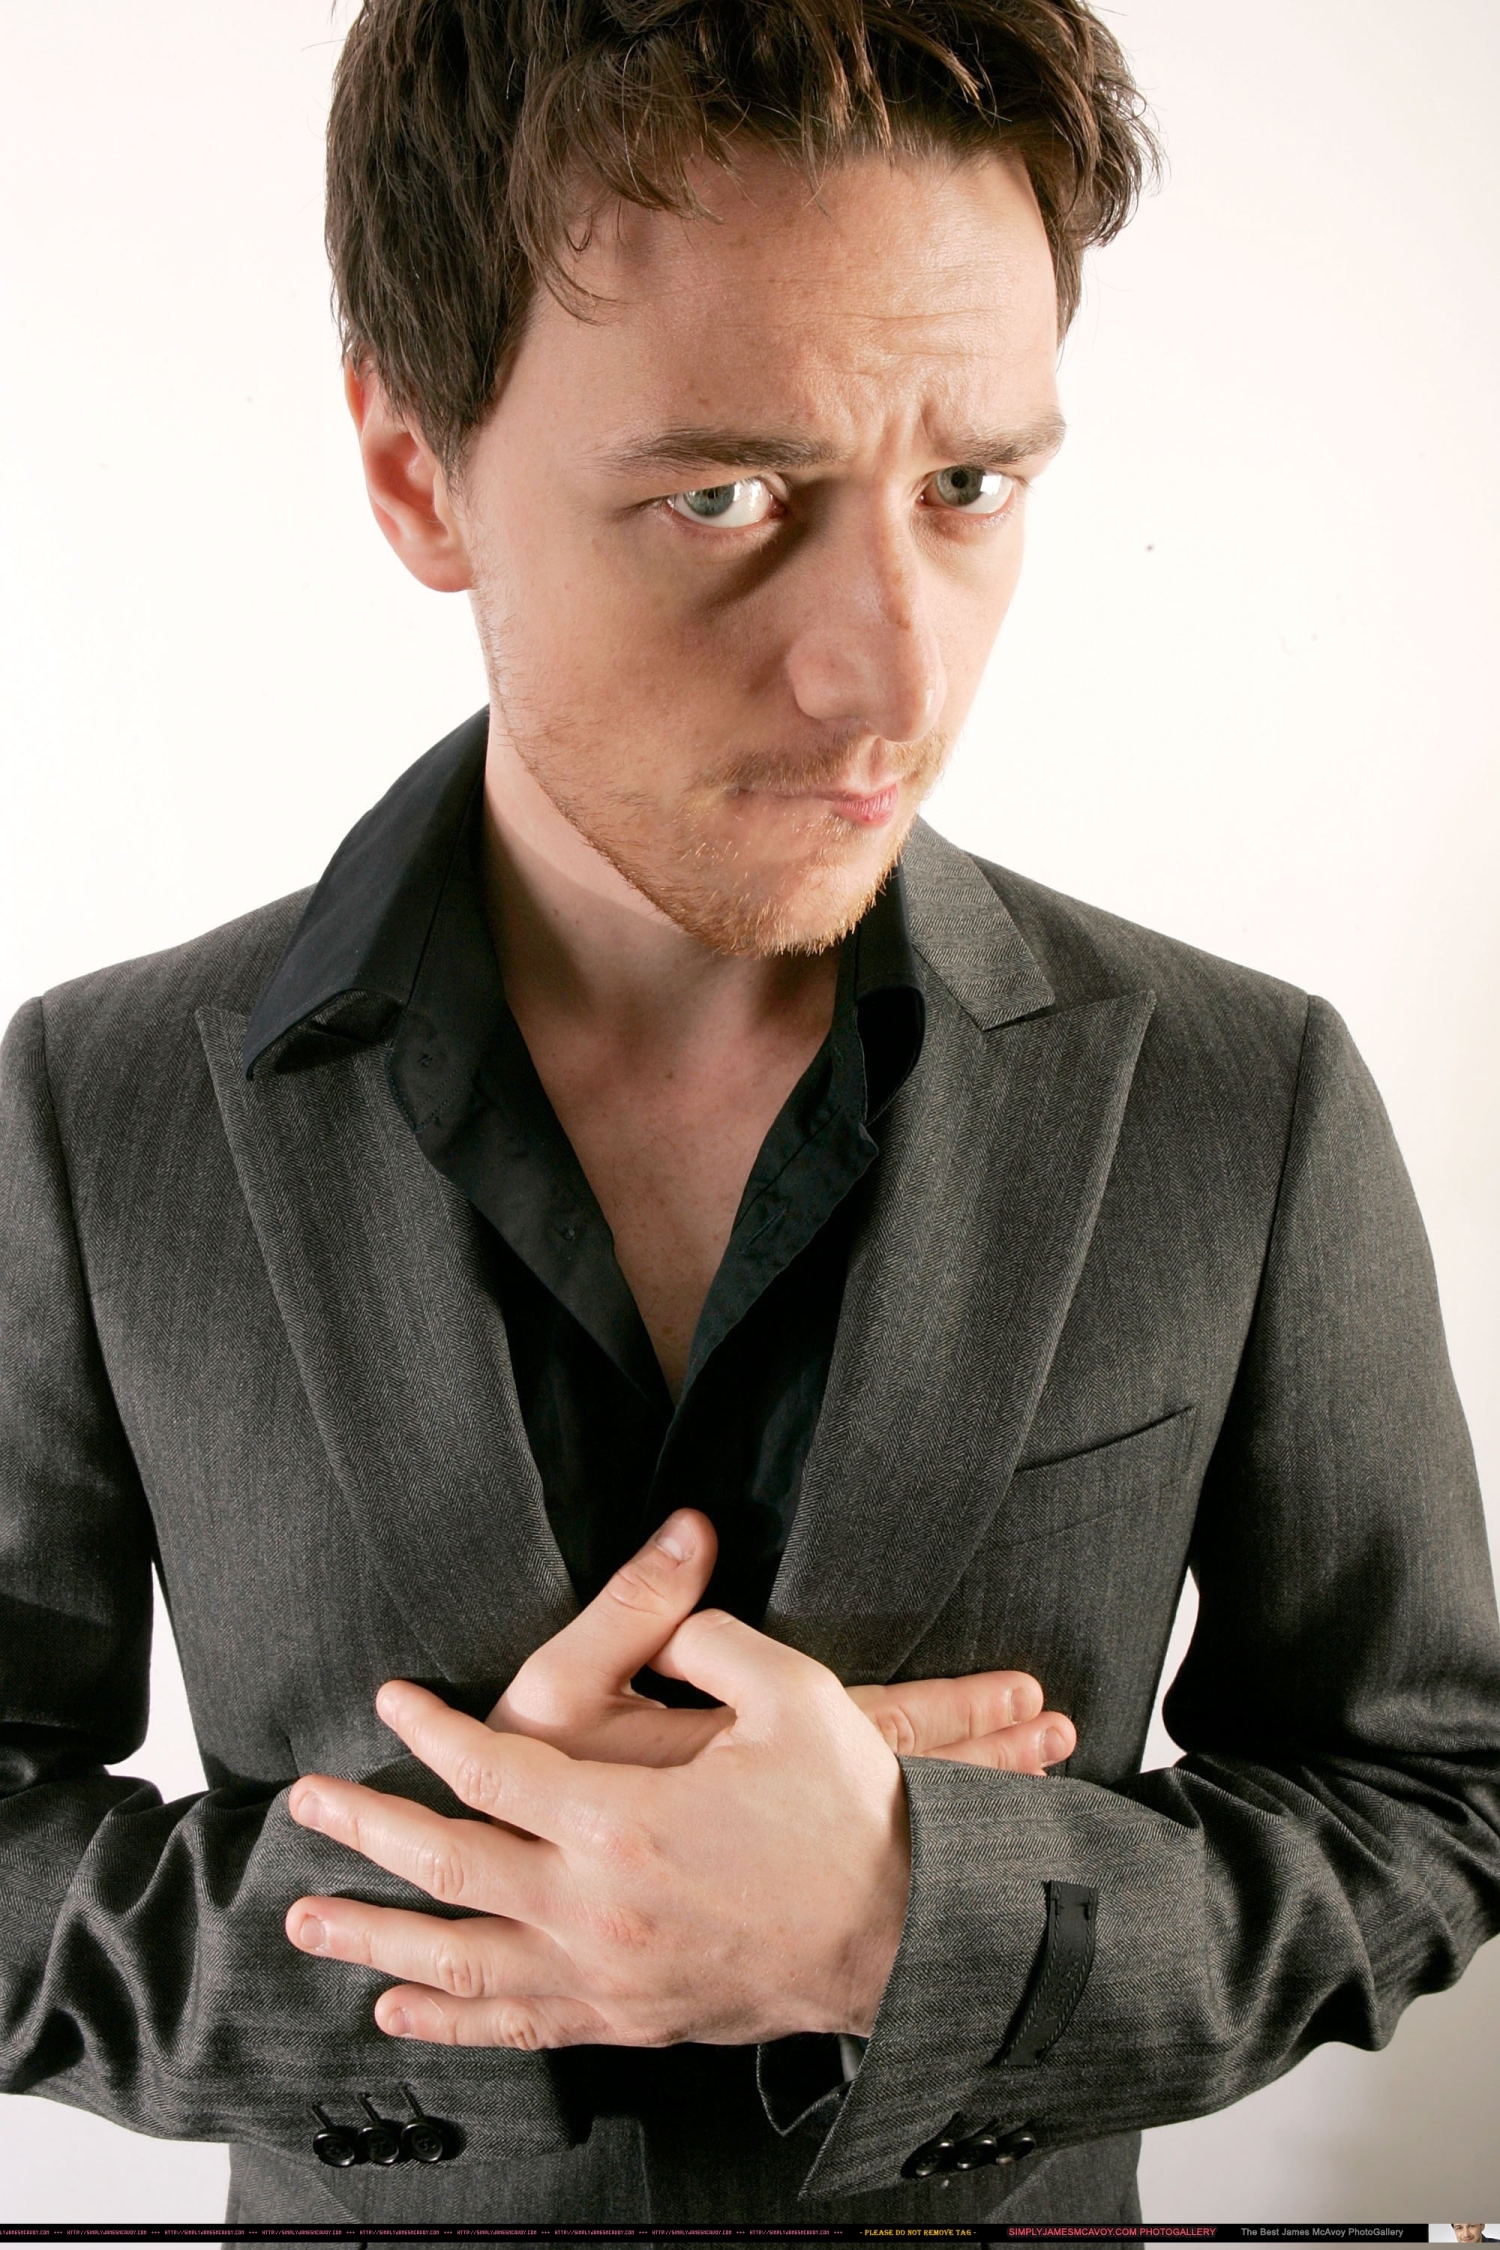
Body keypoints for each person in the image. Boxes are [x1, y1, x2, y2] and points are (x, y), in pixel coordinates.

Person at [1, 0, 1497, 2231]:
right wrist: (500, 1930)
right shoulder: (91, 1106)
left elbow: (1431, 1802)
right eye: (724, 496)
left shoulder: (1241, 1095)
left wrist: (915, 1919)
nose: (894, 678)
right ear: (415, 470)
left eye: (970, 486)